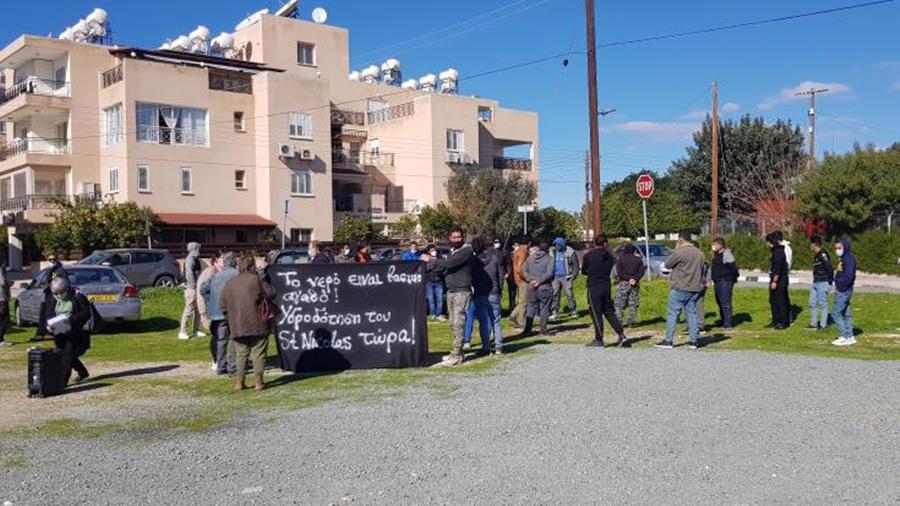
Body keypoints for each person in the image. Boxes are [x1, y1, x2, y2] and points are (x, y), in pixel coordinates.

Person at [220, 254, 275, 390]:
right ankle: (258, 382)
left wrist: (230, 318)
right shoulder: (257, 280)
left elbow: (223, 305)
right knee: (258, 352)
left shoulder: (230, 283)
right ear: (252, 266)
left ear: (239, 266)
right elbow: (271, 293)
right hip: (258, 322)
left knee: (241, 353)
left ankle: (240, 382)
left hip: (237, 323)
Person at [421, 226, 473, 366]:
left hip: (462, 291)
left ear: (463, 237)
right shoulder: (451, 251)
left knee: (458, 322)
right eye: (454, 237)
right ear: (450, 238)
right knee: (452, 323)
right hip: (450, 290)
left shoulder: (466, 251)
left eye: (459, 237)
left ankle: (457, 355)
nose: (456, 240)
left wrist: (431, 259)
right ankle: (457, 351)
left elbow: (450, 263)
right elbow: (444, 267)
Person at [655, 231, 705, 349]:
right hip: (694, 288)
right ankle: (693, 341)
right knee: (692, 314)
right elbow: (702, 270)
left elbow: (667, 264)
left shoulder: (679, 252)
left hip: (680, 287)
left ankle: (668, 341)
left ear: (680, 240)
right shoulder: (700, 253)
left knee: (673, 313)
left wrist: (675, 250)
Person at [39, 276, 92, 383]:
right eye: (56, 293)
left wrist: (70, 321)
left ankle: (62, 382)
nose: (59, 296)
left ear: (66, 289)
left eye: (61, 293)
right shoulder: (52, 298)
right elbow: (48, 313)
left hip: (74, 332)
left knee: (67, 357)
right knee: (65, 355)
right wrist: (49, 325)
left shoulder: (78, 296)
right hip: (59, 332)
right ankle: (82, 372)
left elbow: (86, 313)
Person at [582, 235, 627, 347]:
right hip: (606, 286)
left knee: (596, 313)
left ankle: (599, 339)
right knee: (609, 311)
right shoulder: (609, 256)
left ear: (594, 243)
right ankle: (621, 333)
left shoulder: (588, 256)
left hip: (594, 287)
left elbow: (583, 271)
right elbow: (614, 267)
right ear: (605, 243)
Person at [463, 237, 504, 354]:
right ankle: (499, 346)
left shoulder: (472, 262)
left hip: (479, 293)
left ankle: (486, 346)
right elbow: (500, 276)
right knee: (496, 321)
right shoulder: (494, 258)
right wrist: (500, 290)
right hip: (494, 292)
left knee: (484, 322)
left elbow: (470, 277)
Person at [201, 252, 239, 376]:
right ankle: (233, 366)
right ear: (234, 262)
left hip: (218, 311)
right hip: (233, 311)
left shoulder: (216, 276)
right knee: (233, 338)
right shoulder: (237, 274)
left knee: (221, 340)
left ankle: (220, 365)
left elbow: (203, 289)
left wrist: (211, 300)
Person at [522, 241, 555, 336]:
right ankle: (543, 329)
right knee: (545, 307)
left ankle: (527, 329)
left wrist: (530, 280)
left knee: (530, 307)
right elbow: (549, 273)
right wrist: (539, 281)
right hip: (544, 286)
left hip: (531, 286)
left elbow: (524, 269)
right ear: (548, 249)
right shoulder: (550, 259)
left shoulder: (530, 258)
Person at [831, 239, 857, 346]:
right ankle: (850, 335)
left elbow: (849, 276)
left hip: (844, 290)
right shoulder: (843, 258)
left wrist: (841, 286)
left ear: (845, 247)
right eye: (836, 248)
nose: (837, 250)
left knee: (836, 313)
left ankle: (844, 335)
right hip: (843, 288)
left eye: (839, 248)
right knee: (846, 313)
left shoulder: (848, 259)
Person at [179, 241, 206, 340]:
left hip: (196, 288)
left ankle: (196, 330)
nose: (199, 251)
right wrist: (194, 286)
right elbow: (189, 274)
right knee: (189, 309)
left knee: (198, 310)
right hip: (191, 289)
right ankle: (183, 331)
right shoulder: (189, 260)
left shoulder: (195, 259)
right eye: (198, 248)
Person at [613, 243, 644, 328]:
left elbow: (619, 272)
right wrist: (635, 279)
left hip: (623, 283)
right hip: (634, 284)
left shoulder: (621, 259)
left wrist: (628, 278)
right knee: (633, 303)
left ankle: (618, 321)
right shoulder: (638, 260)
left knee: (619, 304)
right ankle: (632, 321)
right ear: (634, 251)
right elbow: (641, 272)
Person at [710, 237, 738, 329]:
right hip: (717, 280)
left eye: (715, 244)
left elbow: (733, 268)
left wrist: (733, 278)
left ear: (720, 245)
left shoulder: (727, 254)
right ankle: (723, 320)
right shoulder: (716, 255)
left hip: (725, 281)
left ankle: (728, 323)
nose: (713, 246)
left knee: (725, 302)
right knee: (719, 301)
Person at [806, 236, 833, 331]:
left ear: (814, 244)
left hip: (823, 281)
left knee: (823, 303)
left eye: (810, 244)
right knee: (811, 302)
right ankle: (813, 324)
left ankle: (823, 325)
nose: (810, 246)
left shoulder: (823, 254)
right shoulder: (816, 255)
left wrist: (830, 282)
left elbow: (829, 268)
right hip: (816, 281)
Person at [765, 232, 790, 330]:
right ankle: (775, 320)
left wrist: (775, 281)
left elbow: (778, 269)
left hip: (780, 280)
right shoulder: (774, 251)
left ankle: (783, 322)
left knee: (781, 301)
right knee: (773, 300)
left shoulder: (779, 252)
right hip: (774, 278)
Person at [550, 237, 579, 319]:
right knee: (555, 294)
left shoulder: (570, 251)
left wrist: (573, 276)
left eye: (558, 245)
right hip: (555, 277)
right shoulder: (552, 252)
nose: (557, 247)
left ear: (562, 245)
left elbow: (576, 265)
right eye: (555, 245)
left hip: (567, 277)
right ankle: (555, 311)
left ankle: (573, 310)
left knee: (569, 294)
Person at [196, 251, 221, 335]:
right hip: (205, 304)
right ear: (216, 261)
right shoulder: (210, 271)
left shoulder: (214, 271)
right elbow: (203, 290)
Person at [507, 238, 530, 329]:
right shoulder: (523, 251)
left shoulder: (518, 251)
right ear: (529, 243)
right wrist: (527, 278)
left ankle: (514, 316)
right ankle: (520, 320)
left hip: (517, 278)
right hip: (522, 279)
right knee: (524, 301)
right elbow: (520, 268)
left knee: (522, 300)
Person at [423, 244, 446, 321]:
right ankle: (432, 314)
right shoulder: (426, 258)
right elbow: (425, 268)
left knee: (440, 299)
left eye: (434, 250)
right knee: (431, 299)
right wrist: (433, 263)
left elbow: (442, 267)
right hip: (429, 281)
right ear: (429, 251)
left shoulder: (440, 257)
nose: (434, 251)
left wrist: (434, 266)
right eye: (432, 250)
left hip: (439, 281)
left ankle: (438, 314)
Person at [500, 238, 517, 313]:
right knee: (511, 291)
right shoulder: (507, 253)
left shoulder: (509, 253)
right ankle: (511, 306)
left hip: (513, 274)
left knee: (513, 292)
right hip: (510, 275)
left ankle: (512, 306)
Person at [0, 263, 10, 347]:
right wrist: (9, 283)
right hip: (2, 299)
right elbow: (2, 282)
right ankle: (1, 340)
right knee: (4, 319)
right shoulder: (0, 270)